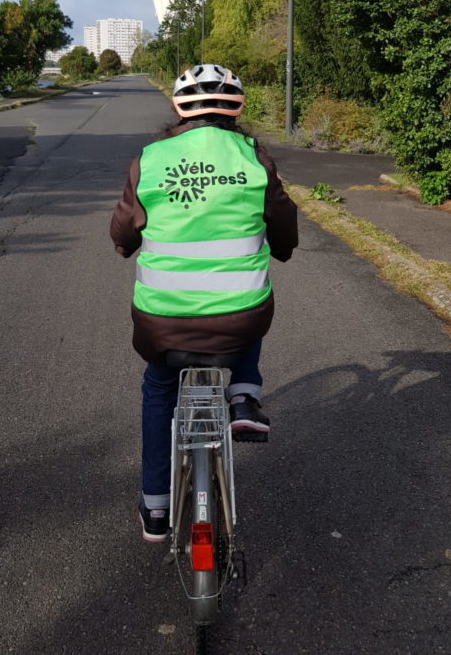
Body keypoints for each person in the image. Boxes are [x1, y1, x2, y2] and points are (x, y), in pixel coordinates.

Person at [110, 63, 299, 542]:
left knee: (159, 387)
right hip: (239, 322)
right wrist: (282, 246)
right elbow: (280, 221)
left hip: (161, 326)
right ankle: (244, 394)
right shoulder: (254, 157)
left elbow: (123, 230)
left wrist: (124, 243)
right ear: (237, 109)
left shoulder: (150, 158)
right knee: (248, 299)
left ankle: (156, 507)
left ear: (178, 108)